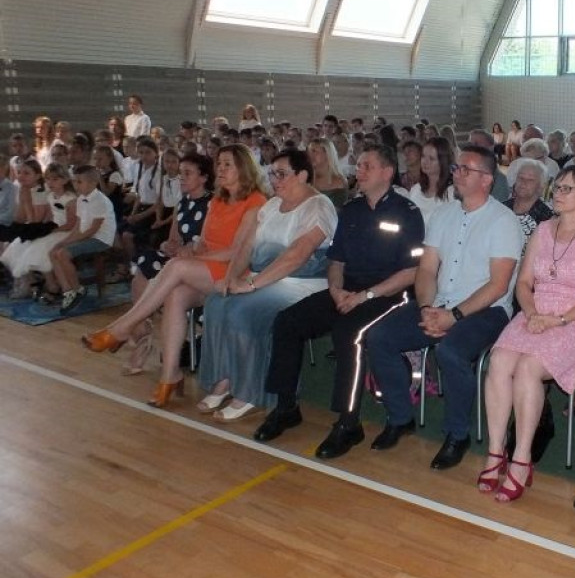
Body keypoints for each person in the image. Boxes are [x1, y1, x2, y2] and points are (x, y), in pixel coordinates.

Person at [253, 144, 424, 455]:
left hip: (389, 295)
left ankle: (348, 422)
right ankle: (286, 406)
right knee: (288, 322)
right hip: (346, 290)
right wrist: (335, 290)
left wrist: (365, 296)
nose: (359, 171)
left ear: (387, 172)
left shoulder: (407, 213)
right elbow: (336, 260)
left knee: (349, 333)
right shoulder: (352, 210)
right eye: (358, 165)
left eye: (367, 166)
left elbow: (412, 272)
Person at [364, 145, 523, 470]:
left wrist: (454, 316)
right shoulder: (444, 214)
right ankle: (400, 417)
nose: (457, 174)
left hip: (487, 310)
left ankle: (457, 434)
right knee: (378, 337)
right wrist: (426, 307)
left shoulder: (504, 221)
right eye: (456, 168)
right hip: (439, 303)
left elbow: (498, 285)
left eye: (466, 169)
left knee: (450, 351)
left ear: (487, 180)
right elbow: (426, 270)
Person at [82, 145, 268, 407]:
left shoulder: (256, 202)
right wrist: (192, 251)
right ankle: (170, 375)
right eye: (219, 164)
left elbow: (237, 252)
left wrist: (193, 258)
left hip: (233, 271)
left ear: (244, 168)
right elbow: (204, 242)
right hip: (206, 268)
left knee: (177, 266)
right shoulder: (218, 200)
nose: (221, 169)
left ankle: (122, 328)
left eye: (227, 164)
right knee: (175, 295)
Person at [480, 165, 575, 501]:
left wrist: (559, 320)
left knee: (528, 367)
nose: (558, 193)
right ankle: (496, 452)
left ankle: (521, 458)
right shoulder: (542, 230)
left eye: (568, 189)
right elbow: (524, 282)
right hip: (536, 312)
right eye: (558, 187)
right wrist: (531, 313)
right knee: (499, 360)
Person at [198, 149, 337, 422]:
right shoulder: (272, 205)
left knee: (243, 311)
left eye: (281, 174)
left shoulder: (319, 207)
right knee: (216, 302)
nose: (274, 180)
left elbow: (297, 255)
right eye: (272, 173)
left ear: (302, 175)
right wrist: (231, 278)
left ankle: (250, 393)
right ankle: (226, 378)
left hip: (300, 284)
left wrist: (251, 284)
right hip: (264, 279)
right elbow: (246, 248)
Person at [122, 152, 214, 375]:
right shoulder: (182, 203)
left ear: (203, 177)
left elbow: (208, 243)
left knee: (149, 270)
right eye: (181, 173)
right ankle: (142, 333)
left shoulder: (212, 204)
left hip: (199, 263)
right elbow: (172, 239)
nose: (181, 177)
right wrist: (169, 245)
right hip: (178, 259)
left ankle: (138, 335)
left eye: (187, 173)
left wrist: (186, 249)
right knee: (144, 267)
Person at [0, 163, 76, 302]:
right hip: (54, 228)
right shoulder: (51, 196)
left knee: (39, 247)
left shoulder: (70, 198)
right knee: (19, 245)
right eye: (48, 179)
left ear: (65, 180)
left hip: (66, 231)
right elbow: (48, 217)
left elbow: (71, 223)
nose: (50, 183)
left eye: (55, 179)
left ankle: (52, 285)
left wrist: (50, 229)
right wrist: (45, 228)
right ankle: (35, 282)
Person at [48, 165, 117, 314]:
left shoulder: (100, 200)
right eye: (74, 181)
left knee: (63, 253)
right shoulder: (80, 200)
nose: (75, 185)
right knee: (53, 252)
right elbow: (78, 227)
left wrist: (68, 243)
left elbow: (93, 230)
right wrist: (65, 241)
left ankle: (78, 289)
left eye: (79, 182)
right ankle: (68, 291)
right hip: (87, 236)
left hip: (100, 239)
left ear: (93, 183)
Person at [504, 158, 554, 245]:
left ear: (541, 186)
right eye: (520, 177)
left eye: (530, 180)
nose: (523, 182)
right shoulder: (503, 207)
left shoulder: (547, 216)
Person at [408, 136, 455, 230]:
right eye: (423, 156)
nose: (425, 162)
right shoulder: (415, 189)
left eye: (431, 158)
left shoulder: (452, 192)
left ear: (443, 161)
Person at [307, 137, 349, 211]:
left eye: (314, 151)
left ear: (327, 154)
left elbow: (337, 212)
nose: (309, 155)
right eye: (309, 151)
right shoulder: (306, 178)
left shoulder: (339, 182)